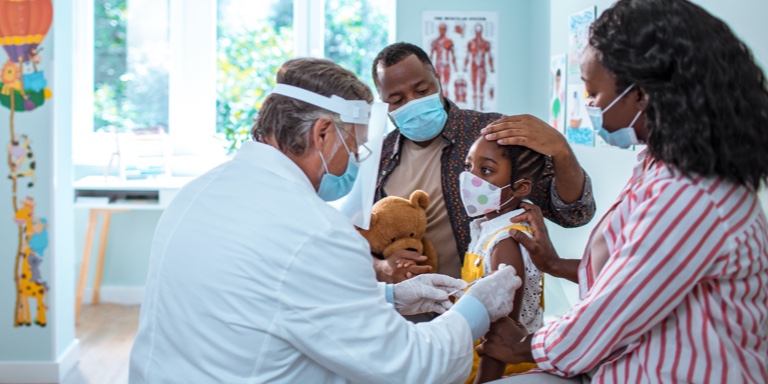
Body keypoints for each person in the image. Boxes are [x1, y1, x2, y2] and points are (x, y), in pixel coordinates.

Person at [128, 58, 526, 383]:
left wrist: (390, 297)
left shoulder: (199, 191)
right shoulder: (314, 230)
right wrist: (477, 307)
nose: (356, 160)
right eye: (354, 145)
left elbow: (268, 298)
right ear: (322, 134)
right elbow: (409, 366)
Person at [477, 1, 768, 382]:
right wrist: (555, 265)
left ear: (641, 95)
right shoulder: (659, 167)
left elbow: (614, 310)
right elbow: (639, 272)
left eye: (593, 93)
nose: (590, 105)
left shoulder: (692, 196)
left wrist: (524, 346)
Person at [370, 42, 595, 286]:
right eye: (397, 100)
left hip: (485, 310)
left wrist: (561, 151)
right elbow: (356, 238)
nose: (412, 103)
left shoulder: (492, 136)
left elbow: (574, 214)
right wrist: (380, 267)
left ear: (438, 80)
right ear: (383, 104)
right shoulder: (377, 157)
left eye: (422, 90)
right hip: (407, 309)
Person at [459, 137, 548, 383]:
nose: (471, 178)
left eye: (485, 170)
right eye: (469, 167)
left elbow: (502, 336)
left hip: (499, 372)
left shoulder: (506, 242)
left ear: (520, 187)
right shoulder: (486, 228)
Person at [464, 23, 494, 111]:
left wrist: (491, 67)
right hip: (474, 66)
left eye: (479, 30)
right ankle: (474, 106)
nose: (478, 32)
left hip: (482, 65)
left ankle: (480, 107)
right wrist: (465, 65)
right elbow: (467, 55)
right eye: (476, 30)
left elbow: (489, 55)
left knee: (481, 86)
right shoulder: (471, 43)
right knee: (474, 86)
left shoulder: (486, 43)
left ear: (481, 31)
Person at [430, 22, 457, 98]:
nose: (442, 31)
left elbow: (452, 54)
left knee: (446, 83)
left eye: (444, 29)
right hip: (438, 63)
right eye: (441, 29)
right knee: (439, 82)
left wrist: (455, 67)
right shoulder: (435, 42)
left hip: (446, 63)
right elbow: (431, 55)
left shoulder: (449, 41)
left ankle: (446, 98)